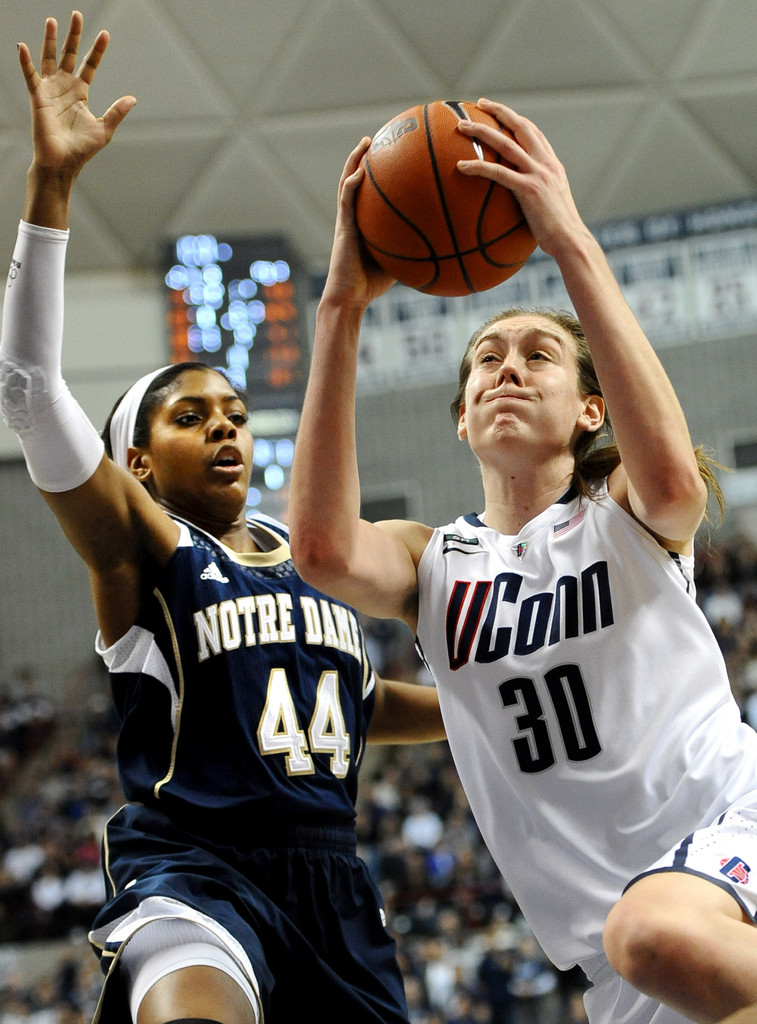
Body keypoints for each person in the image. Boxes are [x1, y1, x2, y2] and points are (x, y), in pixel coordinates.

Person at [0, 13, 445, 1024]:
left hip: (333, 885)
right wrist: (54, 185)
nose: (227, 428)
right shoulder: (147, 542)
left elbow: (366, 702)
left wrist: (485, 704)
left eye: (238, 414)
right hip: (194, 870)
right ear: (139, 460)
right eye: (192, 415)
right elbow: (25, 385)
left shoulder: (313, 561)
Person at [287, 96, 757, 1024]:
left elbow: (668, 476)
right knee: (644, 942)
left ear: (590, 409)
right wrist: (339, 306)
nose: (507, 367)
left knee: (654, 932)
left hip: (722, 836)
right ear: (461, 418)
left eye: (539, 356)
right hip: (616, 961)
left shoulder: (621, 510)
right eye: (486, 360)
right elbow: (322, 551)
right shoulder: (437, 563)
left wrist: (568, 239)